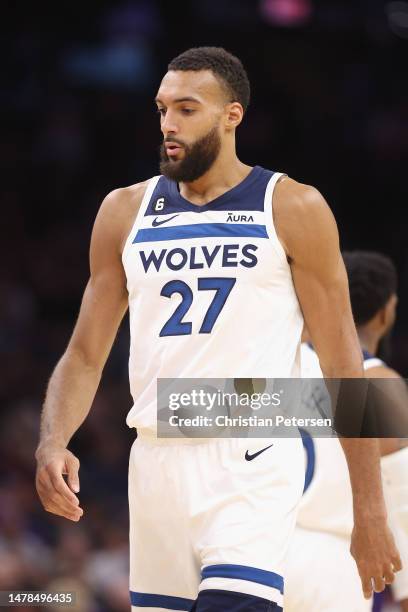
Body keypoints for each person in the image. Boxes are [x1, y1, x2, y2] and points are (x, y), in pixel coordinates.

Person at [35, 47, 400, 612]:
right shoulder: (124, 211)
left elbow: (341, 366)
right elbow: (84, 353)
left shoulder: (293, 206)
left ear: (232, 115)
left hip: (249, 455)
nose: (169, 125)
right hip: (155, 459)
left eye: (187, 108)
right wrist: (53, 440)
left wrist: (369, 515)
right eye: (161, 110)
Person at [285, 251, 408, 612]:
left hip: (258, 555)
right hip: (332, 567)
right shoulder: (382, 384)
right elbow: (403, 503)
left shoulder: (281, 365)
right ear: (387, 312)